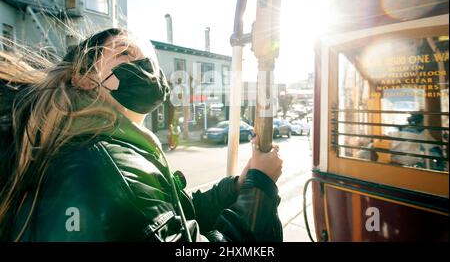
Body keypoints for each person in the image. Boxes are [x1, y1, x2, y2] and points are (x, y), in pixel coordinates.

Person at [0, 28, 283, 242]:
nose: (146, 67)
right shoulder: (107, 165)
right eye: (125, 53)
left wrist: (237, 186)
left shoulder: (102, 146)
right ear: (84, 79)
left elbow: (176, 216)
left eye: (149, 61)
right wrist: (260, 186)